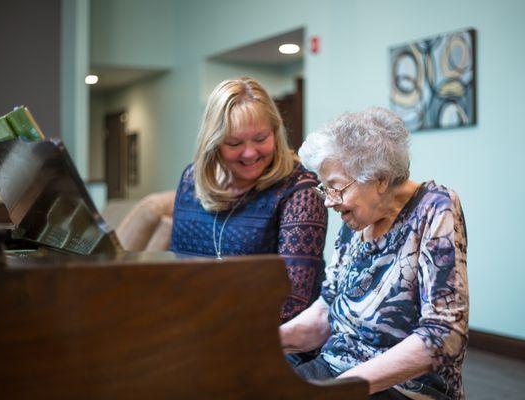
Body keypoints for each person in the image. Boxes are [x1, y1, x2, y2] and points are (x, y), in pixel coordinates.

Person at [280, 107, 469, 399]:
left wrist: (344, 385)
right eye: (325, 188)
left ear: (380, 180)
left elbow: (443, 334)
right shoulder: (356, 220)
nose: (329, 202)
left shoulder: (434, 207)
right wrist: (263, 342)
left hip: (403, 387)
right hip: (337, 370)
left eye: (336, 188)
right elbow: (325, 312)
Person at [170, 77, 327, 322]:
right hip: (193, 327)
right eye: (234, 143)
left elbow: (293, 300)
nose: (250, 153)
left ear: (275, 132)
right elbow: (177, 269)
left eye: (261, 139)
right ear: (214, 142)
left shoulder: (300, 190)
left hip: (267, 336)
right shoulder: (192, 179)